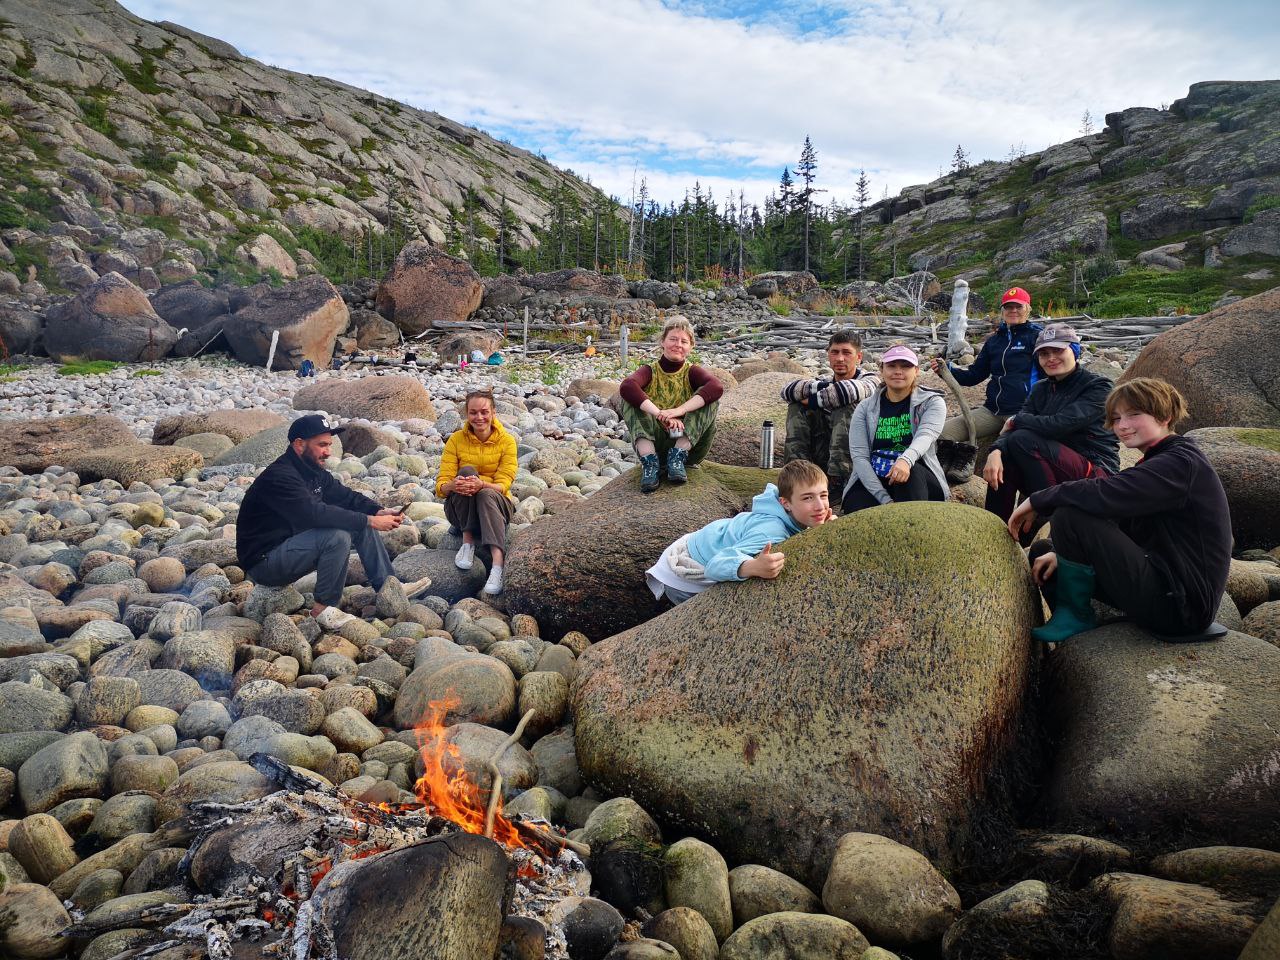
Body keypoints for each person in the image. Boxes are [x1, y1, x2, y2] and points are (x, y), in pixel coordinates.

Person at [1010, 378, 1232, 643]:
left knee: (1071, 514)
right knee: (1045, 554)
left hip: (1182, 606)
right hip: (1164, 584)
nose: (1122, 426)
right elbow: (1121, 519)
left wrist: (1038, 499)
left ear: (1166, 416)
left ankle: (1076, 615)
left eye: (1134, 414)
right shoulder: (1161, 460)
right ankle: (1070, 626)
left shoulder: (1180, 462)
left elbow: (1104, 492)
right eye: (1116, 419)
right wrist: (1063, 552)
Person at [237, 414, 431, 631]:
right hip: (264, 562)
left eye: (329, 444)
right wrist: (370, 520)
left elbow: (345, 497)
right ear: (299, 444)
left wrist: (377, 510)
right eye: (322, 445)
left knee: (359, 523)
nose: (328, 451)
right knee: (338, 534)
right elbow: (314, 514)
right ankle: (322, 608)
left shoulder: (313, 470)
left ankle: (389, 587)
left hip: (292, 546)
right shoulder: (281, 476)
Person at [983, 322, 1118, 535]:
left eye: (1058, 350)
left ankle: (1049, 515)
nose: (1051, 358)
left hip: (1094, 471)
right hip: (1049, 467)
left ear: (1074, 351)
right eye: (1044, 353)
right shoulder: (1041, 388)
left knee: (1023, 438)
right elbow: (1017, 425)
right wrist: (995, 451)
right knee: (1006, 459)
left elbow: (1058, 425)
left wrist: (1016, 420)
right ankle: (994, 528)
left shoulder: (1099, 387)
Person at [645, 459, 833, 605]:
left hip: (707, 540)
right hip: (685, 574)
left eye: (823, 496)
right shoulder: (772, 532)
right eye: (808, 498)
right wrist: (752, 567)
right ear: (786, 503)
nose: (820, 506)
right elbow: (715, 566)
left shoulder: (791, 515)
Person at [619, 316, 723, 493]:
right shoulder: (649, 371)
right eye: (673, 339)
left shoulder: (691, 372)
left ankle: (677, 457)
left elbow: (717, 387)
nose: (678, 345)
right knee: (630, 398)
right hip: (656, 444)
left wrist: (679, 411)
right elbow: (627, 386)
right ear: (662, 342)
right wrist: (661, 413)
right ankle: (650, 464)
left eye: (684, 341)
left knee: (710, 399)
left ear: (691, 347)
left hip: (689, 448)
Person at [842, 345, 949, 513]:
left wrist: (905, 460)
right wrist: (885, 500)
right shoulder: (864, 408)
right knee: (856, 510)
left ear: (917, 371)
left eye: (905, 366)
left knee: (910, 479)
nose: (898, 371)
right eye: (891, 366)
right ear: (882, 370)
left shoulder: (932, 402)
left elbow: (926, 436)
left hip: (917, 473)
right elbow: (860, 457)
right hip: (874, 475)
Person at [930, 286, 1043, 443]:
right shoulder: (994, 341)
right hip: (992, 411)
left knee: (1016, 449)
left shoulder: (1038, 338)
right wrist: (946, 370)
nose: (1013, 310)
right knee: (940, 434)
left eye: (1019, 306)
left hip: (1024, 412)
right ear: (1002, 311)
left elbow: (1055, 373)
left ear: (1028, 309)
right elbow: (975, 375)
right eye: (1009, 307)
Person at [780, 331, 882, 504]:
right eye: (835, 352)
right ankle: (798, 475)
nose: (840, 358)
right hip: (824, 450)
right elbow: (788, 391)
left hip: (860, 455)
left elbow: (848, 392)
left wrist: (811, 399)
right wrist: (824, 394)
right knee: (797, 407)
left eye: (846, 352)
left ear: (859, 357)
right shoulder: (822, 381)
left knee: (847, 406)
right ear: (828, 354)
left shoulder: (871, 380)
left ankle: (839, 480)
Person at [435, 390, 518, 596]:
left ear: (493, 413)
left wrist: (481, 485)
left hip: (497, 506)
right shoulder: (456, 440)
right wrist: (454, 485)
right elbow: (441, 486)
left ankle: (497, 564)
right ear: (466, 414)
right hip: (459, 508)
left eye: (484, 412)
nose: (479, 417)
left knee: (485, 494)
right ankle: (468, 542)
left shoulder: (507, 441)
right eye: (473, 413)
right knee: (466, 473)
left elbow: (503, 485)